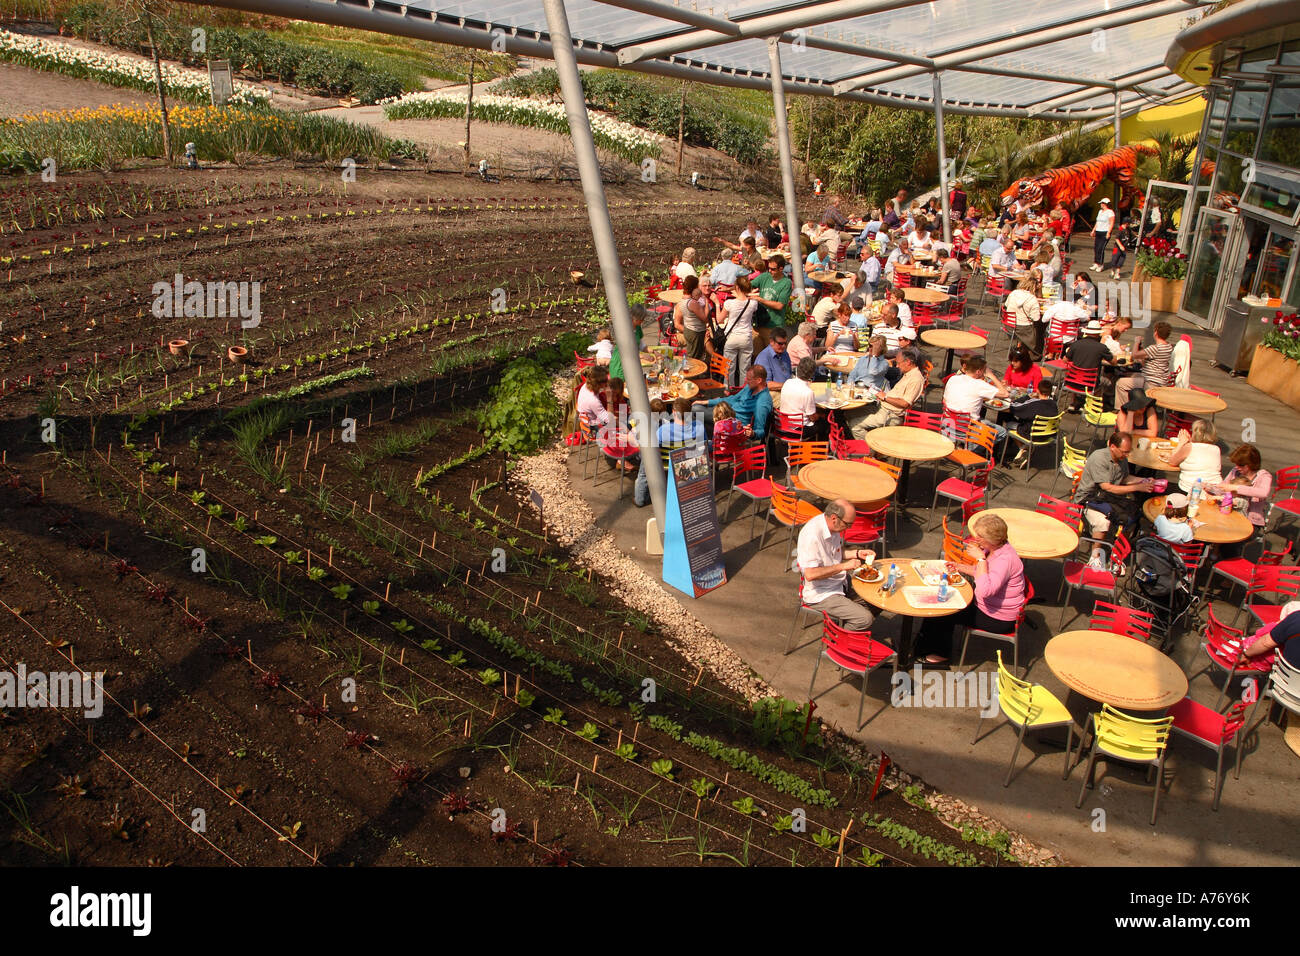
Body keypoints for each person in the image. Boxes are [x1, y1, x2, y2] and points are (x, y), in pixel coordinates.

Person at [914, 514, 1025, 665]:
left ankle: (940, 654)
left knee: (945, 612)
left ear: (991, 539)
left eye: (979, 536)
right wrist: (961, 567)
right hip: (991, 607)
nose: (975, 538)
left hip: (997, 617)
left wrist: (980, 558)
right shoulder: (997, 549)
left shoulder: (1004, 560)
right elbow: (983, 572)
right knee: (939, 603)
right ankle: (924, 644)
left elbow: (985, 591)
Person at [795, 499, 876, 632]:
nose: (849, 528)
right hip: (821, 593)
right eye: (847, 524)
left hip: (838, 582)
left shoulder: (832, 527)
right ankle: (838, 641)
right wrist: (842, 567)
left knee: (875, 597)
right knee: (864, 619)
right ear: (834, 518)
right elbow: (810, 574)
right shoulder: (812, 536)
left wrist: (857, 553)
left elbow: (836, 552)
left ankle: (848, 625)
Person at [1074, 431, 1155, 538]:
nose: (1127, 455)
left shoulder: (1121, 458)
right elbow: (1107, 487)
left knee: (1133, 513)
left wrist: (1143, 480)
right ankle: (1096, 553)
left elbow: (1124, 478)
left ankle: (1117, 550)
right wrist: (1137, 487)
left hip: (1108, 497)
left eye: (1128, 451)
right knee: (1103, 523)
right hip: (1089, 498)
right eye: (1124, 452)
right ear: (1113, 447)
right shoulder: (1099, 459)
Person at [633, 397, 705, 506]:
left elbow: (651, 449)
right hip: (690, 461)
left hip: (666, 462)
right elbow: (703, 445)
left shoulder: (664, 430)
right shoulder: (699, 426)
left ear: (674, 412)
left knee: (645, 464)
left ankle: (639, 499)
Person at [845, 346, 924, 439]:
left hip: (890, 415)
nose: (897, 366)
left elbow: (905, 403)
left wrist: (885, 397)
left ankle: (873, 448)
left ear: (908, 362)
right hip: (882, 407)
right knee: (848, 413)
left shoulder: (915, 379)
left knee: (854, 425)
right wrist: (881, 394)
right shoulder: (908, 374)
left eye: (898, 363)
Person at [942, 355, 1009, 446]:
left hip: (947, 424)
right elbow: (1005, 394)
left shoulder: (953, 378)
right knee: (1002, 432)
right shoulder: (979, 384)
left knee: (985, 422)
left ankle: (964, 446)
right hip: (967, 428)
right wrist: (991, 375)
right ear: (978, 371)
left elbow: (945, 400)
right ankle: (972, 451)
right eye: (984, 370)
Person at [696, 365, 773, 441]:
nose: (746, 381)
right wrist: (707, 402)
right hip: (726, 412)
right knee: (696, 407)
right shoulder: (750, 387)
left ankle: (695, 446)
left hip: (732, 424)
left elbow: (760, 431)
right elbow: (732, 399)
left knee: (695, 410)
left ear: (759, 380)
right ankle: (698, 444)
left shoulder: (762, 403)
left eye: (749, 379)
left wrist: (752, 433)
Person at [1211, 443, 1272, 536]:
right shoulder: (1235, 471)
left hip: (1250, 521)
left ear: (1250, 464)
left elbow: (1263, 493)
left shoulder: (1264, 476)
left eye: (1240, 465)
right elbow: (1223, 487)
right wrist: (1210, 488)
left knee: (1229, 536)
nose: (1237, 467)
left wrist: (1235, 488)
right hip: (1230, 514)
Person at [1115, 321, 1174, 409]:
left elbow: (1135, 354)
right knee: (1129, 375)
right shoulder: (1168, 346)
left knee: (1120, 383)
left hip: (1151, 382)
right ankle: (1133, 404)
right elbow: (1150, 359)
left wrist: (1136, 342)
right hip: (1160, 378)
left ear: (1156, 333)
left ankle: (1123, 410)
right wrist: (1142, 352)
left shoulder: (1155, 348)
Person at [719, 275, 760, 388]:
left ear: (737, 288)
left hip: (732, 337)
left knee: (728, 368)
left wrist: (717, 304)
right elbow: (748, 297)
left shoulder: (729, 303)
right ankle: (743, 390)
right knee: (745, 369)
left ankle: (728, 390)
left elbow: (719, 319)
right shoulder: (753, 304)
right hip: (746, 337)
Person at [1061, 320, 1109, 411]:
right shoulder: (1101, 347)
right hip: (1090, 384)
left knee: (1077, 372)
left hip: (1072, 381)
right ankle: (1092, 405)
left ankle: (1073, 402)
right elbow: (1113, 361)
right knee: (1105, 381)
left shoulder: (1076, 344)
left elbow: (1065, 360)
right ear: (1098, 334)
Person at [1168, 417, 1222, 494]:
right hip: (1214, 490)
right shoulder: (1216, 449)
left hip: (1191, 490)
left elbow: (1172, 461)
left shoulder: (1189, 447)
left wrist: (1182, 443)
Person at [752, 254, 792, 352]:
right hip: (758, 324)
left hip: (773, 326)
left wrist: (760, 299)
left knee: (773, 355)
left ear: (781, 269)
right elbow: (748, 285)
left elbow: (779, 305)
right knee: (756, 355)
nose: (770, 271)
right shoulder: (765, 276)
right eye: (768, 268)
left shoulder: (786, 283)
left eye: (773, 269)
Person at [1008, 379, 1059, 449]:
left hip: (1031, 435)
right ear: (1050, 392)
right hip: (1047, 435)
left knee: (1009, 424)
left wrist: (1028, 397)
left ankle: (1022, 448)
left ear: (1037, 390)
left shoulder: (1034, 404)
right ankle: (1025, 448)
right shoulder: (1054, 405)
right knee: (1026, 421)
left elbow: (1013, 406)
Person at [607, 303, 649, 382]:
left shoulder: (637, 327)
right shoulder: (625, 329)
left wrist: (654, 352)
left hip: (631, 364)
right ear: (636, 318)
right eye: (642, 319)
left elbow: (640, 344)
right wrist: (642, 356)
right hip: (619, 363)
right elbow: (627, 350)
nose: (643, 321)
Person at [1003, 274, 1043, 354]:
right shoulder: (1032, 299)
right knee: (1040, 327)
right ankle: (1035, 351)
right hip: (1023, 328)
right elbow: (1036, 318)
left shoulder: (1013, 293)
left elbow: (1006, 305)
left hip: (1009, 324)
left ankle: (1020, 345)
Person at [675, 274, 709, 361]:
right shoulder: (692, 303)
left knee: (692, 355)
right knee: (695, 359)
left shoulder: (683, 301)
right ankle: (694, 373)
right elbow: (705, 318)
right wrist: (706, 302)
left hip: (688, 330)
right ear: (694, 287)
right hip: (696, 332)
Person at [780, 356, 819, 429]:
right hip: (798, 430)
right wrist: (820, 415)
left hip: (784, 425)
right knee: (824, 423)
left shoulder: (787, 382)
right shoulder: (808, 392)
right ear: (811, 374)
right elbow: (812, 417)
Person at [1090, 197, 1114, 271]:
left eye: (1102, 203)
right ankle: (1096, 263)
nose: (1101, 204)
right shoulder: (1100, 211)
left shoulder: (1110, 212)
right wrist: (1093, 230)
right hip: (1098, 231)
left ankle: (1100, 264)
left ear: (1105, 204)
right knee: (1096, 248)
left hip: (1105, 232)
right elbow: (1098, 222)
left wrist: (1108, 232)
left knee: (1101, 248)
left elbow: (1111, 223)